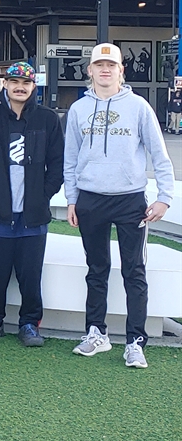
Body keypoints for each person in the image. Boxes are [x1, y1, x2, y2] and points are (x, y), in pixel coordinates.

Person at [64, 43, 174, 368]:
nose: (105, 70)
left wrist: (164, 197)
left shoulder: (139, 107)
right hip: (91, 199)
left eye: (111, 65)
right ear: (90, 70)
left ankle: (135, 341)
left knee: (133, 271)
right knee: (96, 270)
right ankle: (96, 333)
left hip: (130, 201)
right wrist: (72, 199)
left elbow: (159, 154)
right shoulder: (78, 110)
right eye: (99, 64)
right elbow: (70, 159)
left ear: (121, 70)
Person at [0, 62, 64, 348]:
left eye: (26, 82)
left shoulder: (48, 119)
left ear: (34, 87)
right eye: (14, 81)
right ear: (5, 85)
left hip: (33, 216)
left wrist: (43, 194)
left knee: (30, 276)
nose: (20, 86)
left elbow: (58, 163)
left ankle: (29, 325)